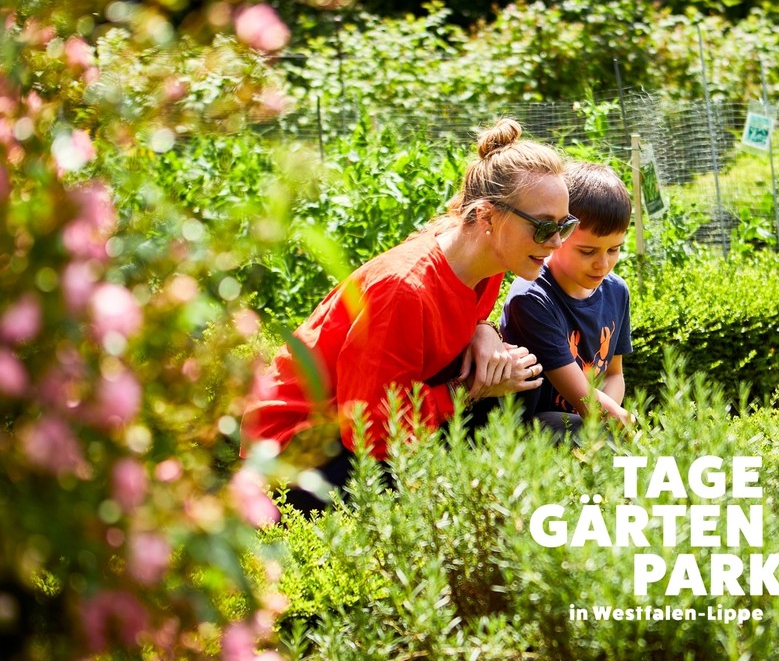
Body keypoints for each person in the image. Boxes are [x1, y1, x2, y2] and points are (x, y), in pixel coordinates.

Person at [241, 118, 580, 513]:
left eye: (564, 226)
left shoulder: (484, 259)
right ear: (487, 217)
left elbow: (453, 316)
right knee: (503, 389)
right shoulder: (403, 289)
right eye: (543, 228)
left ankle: (468, 495)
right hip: (298, 453)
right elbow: (368, 431)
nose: (555, 243)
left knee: (522, 376)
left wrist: (483, 330)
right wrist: (468, 389)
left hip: (365, 417)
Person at [500, 161, 634, 438]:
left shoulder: (617, 291)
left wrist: (611, 421)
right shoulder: (532, 299)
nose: (603, 264)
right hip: (532, 429)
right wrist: (612, 423)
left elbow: (613, 374)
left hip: (583, 421)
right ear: (558, 235)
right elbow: (582, 398)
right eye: (587, 251)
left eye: (614, 249)